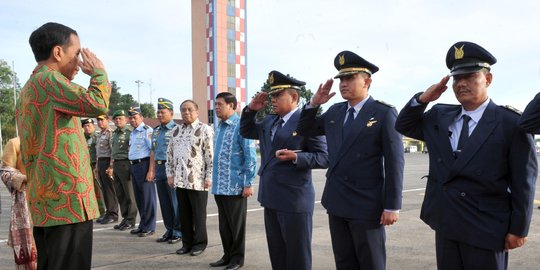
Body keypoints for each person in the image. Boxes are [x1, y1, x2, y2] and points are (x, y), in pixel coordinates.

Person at [395, 41, 537, 270]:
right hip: (447, 223)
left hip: (487, 227)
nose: (461, 83)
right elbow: (403, 125)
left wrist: (518, 228)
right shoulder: (439, 116)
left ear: (488, 80)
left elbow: (524, 181)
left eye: (470, 76)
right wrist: (423, 99)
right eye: (456, 78)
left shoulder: (510, 123)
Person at [16, 22, 111, 270]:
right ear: (58, 52)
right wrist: (99, 72)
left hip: (48, 202)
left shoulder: (30, 86)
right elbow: (97, 103)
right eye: (77, 53)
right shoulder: (50, 81)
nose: (80, 62)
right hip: (66, 201)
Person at [297, 51, 404, 270]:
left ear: (367, 81)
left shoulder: (384, 113)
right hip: (337, 200)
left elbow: (395, 163)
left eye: (350, 78)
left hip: (366, 204)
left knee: (370, 263)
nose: (343, 84)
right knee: (344, 262)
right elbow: (303, 129)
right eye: (341, 79)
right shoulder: (335, 112)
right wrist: (314, 103)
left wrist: (392, 205)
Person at [240, 70, 329, 270]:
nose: (273, 100)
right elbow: (246, 131)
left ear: (294, 97)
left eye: (278, 95)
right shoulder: (269, 121)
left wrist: (297, 157)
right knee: (277, 253)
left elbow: (324, 157)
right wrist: (251, 110)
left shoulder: (306, 121)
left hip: (294, 199)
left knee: (297, 256)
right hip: (270, 196)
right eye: (272, 95)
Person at [210, 92, 257, 270]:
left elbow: (250, 156)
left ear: (232, 105)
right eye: (215, 105)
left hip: (235, 186)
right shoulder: (220, 127)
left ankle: (237, 259)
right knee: (224, 226)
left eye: (220, 105)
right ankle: (227, 255)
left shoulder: (241, 126)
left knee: (236, 226)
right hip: (219, 185)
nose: (216, 108)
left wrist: (248, 183)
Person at [167, 100, 213, 256]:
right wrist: (170, 175)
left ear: (197, 111)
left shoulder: (205, 129)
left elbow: (210, 156)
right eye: (183, 110)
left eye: (189, 109)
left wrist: (209, 177)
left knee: (199, 215)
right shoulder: (175, 131)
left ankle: (199, 243)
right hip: (180, 180)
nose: (186, 112)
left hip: (198, 181)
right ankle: (187, 243)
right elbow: (169, 156)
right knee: (184, 214)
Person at [1, 137, 37, 270]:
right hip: (26, 202)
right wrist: (25, 179)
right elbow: (6, 172)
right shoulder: (15, 143)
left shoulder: (48, 139)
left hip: (52, 201)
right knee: (31, 249)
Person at [151, 98, 182, 244]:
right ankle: (169, 230)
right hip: (159, 168)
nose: (159, 115)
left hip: (172, 169)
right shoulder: (156, 131)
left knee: (175, 202)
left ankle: (178, 231)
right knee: (164, 202)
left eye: (162, 112)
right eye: (158, 112)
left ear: (170, 112)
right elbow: (153, 150)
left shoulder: (177, 129)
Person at [127, 106, 157, 237]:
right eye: (131, 117)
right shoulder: (132, 132)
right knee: (139, 198)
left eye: (135, 117)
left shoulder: (147, 131)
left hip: (144, 165)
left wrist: (151, 170)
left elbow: (153, 151)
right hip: (134, 166)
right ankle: (143, 225)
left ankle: (150, 226)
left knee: (148, 198)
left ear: (141, 117)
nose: (133, 120)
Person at [110, 109, 138, 231]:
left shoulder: (130, 132)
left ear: (126, 120)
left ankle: (131, 220)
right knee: (120, 194)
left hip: (126, 164)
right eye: (116, 119)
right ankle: (125, 218)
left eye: (120, 118)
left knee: (129, 194)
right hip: (116, 164)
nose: (118, 120)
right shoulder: (115, 133)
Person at [95, 114, 119, 224]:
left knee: (109, 189)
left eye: (102, 120)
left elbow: (112, 151)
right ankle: (108, 211)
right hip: (100, 162)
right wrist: (96, 167)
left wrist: (111, 166)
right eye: (98, 121)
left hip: (107, 161)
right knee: (104, 189)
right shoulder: (99, 134)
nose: (100, 122)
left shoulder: (110, 133)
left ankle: (113, 214)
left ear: (107, 120)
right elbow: (98, 153)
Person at [82, 118, 106, 222]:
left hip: (94, 165)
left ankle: (102, 211)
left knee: (98, 190)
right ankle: (91, 211)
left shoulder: (97, 137)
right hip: (84, 167)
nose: (87, 128)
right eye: (85, 126)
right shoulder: (81, 138)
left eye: (89, 126)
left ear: (93, 126)